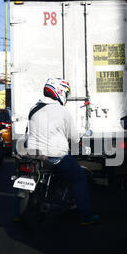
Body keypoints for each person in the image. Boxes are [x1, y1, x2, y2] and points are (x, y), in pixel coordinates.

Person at [17, 77, 99, 226]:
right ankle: (86, 216)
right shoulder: (62, 111)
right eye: (65, 93)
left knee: (23, 176)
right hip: (56, 156)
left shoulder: (34, 108)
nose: (66, 97)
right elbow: (74, 138)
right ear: (59, 91)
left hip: (33, 154)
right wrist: (78, 140)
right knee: (79, 178)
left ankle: (19, 214)